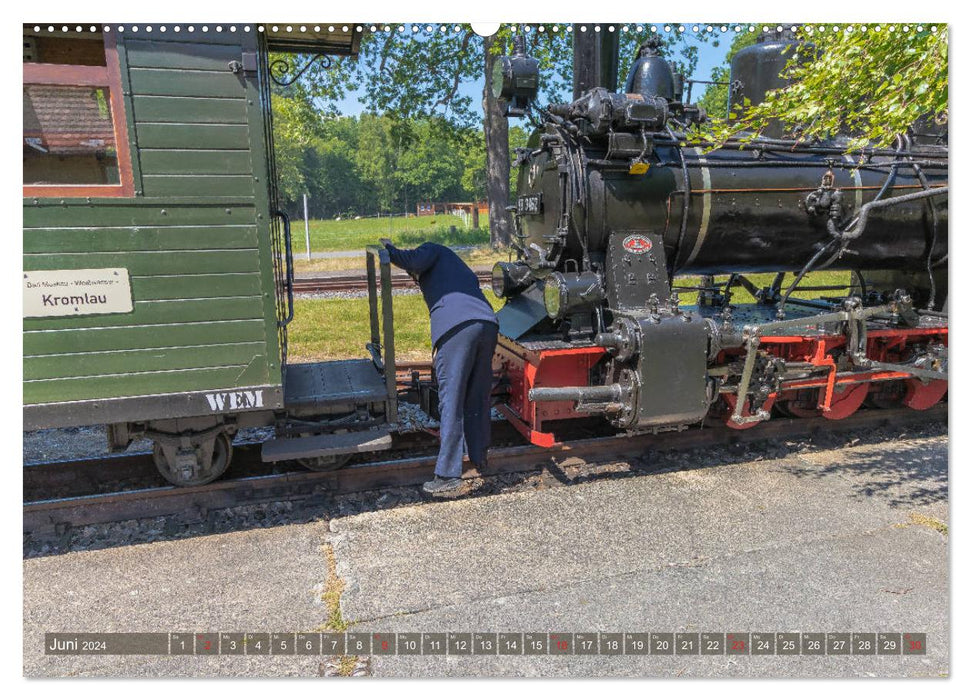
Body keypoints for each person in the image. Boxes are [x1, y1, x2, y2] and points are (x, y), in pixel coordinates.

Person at [379, 238, 498, 497]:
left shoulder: (433, 249)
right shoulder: (458, 267)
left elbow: (411, 259)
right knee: (477, 397)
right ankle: (479, 457)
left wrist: (390, 249)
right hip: (487, 324)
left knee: (451, 400)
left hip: (457, 329)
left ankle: (447, 476)